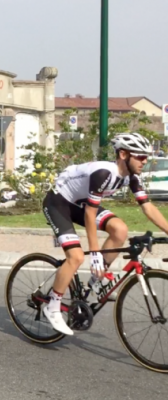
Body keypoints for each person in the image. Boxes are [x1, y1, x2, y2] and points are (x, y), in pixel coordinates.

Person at [41, 132, 168, 335]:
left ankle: (96, 281)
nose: (145, 161)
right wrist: (95, 254)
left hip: (79, 204)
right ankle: (52, 306)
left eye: (147, 157)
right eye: (141, 156)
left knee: (120, 229)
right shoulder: (104, 173)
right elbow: (90, 215)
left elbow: (148, 207)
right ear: (124, 155)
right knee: (76, 257)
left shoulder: (131, 177)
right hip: (59, 203)